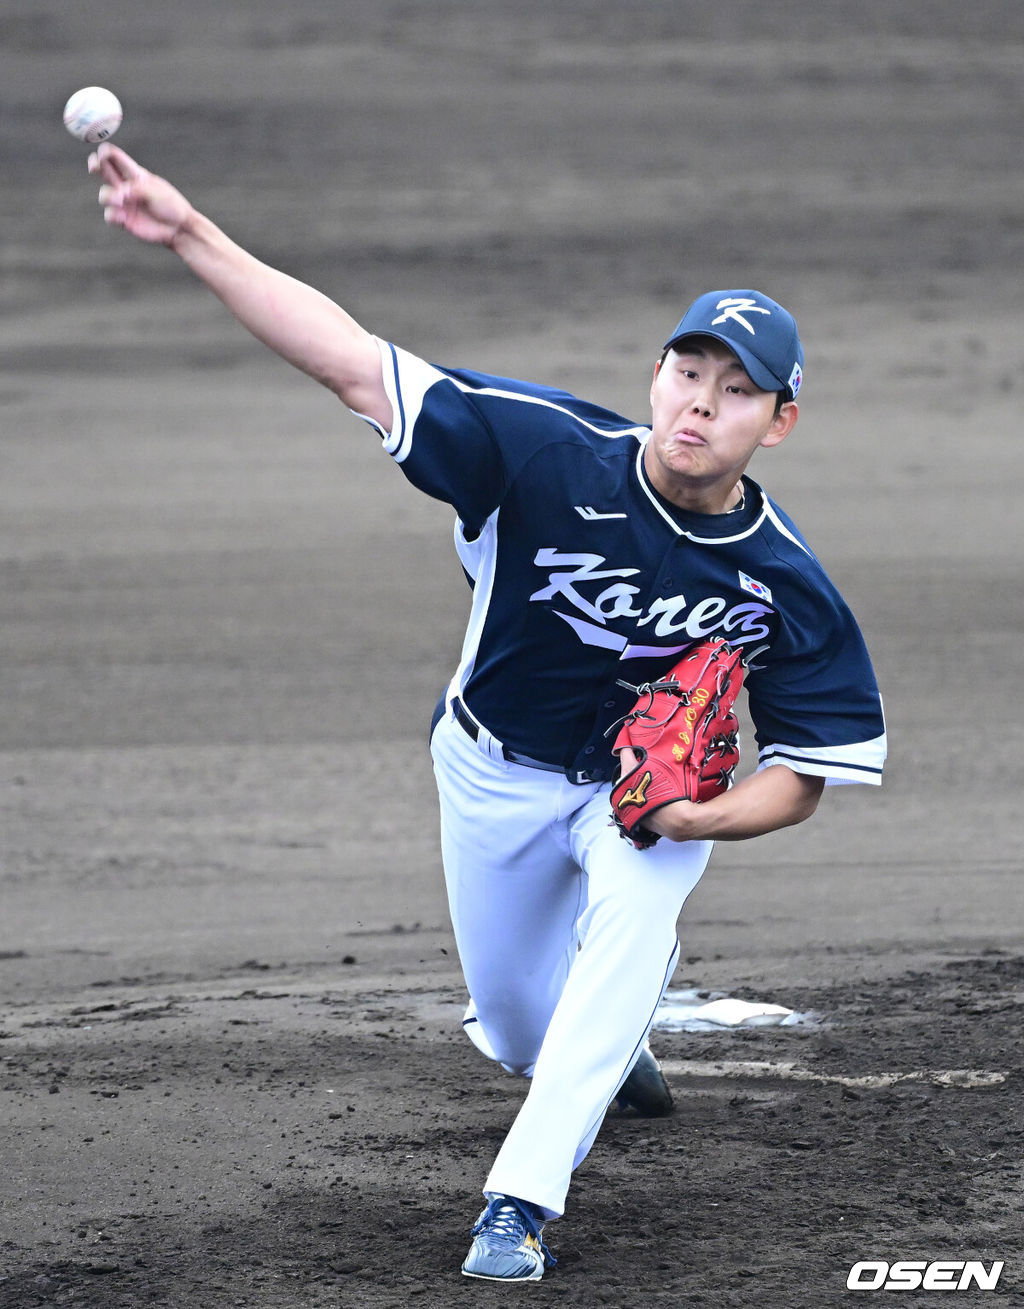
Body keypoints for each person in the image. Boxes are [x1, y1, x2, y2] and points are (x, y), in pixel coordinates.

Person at [88, 142, 886, 1283]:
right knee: (517, 1030)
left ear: (780, 420)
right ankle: (607, 1054)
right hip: (490, 772)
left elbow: (807, 768)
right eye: (687, 373)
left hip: (635, 802)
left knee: (632, 927)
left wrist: (699, 822)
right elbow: (354, 366)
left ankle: (516, 1205)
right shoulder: (538, 451)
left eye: (737, 389)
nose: (701, 405)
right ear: (655, 373)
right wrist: (189, 234)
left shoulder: (784, 579)